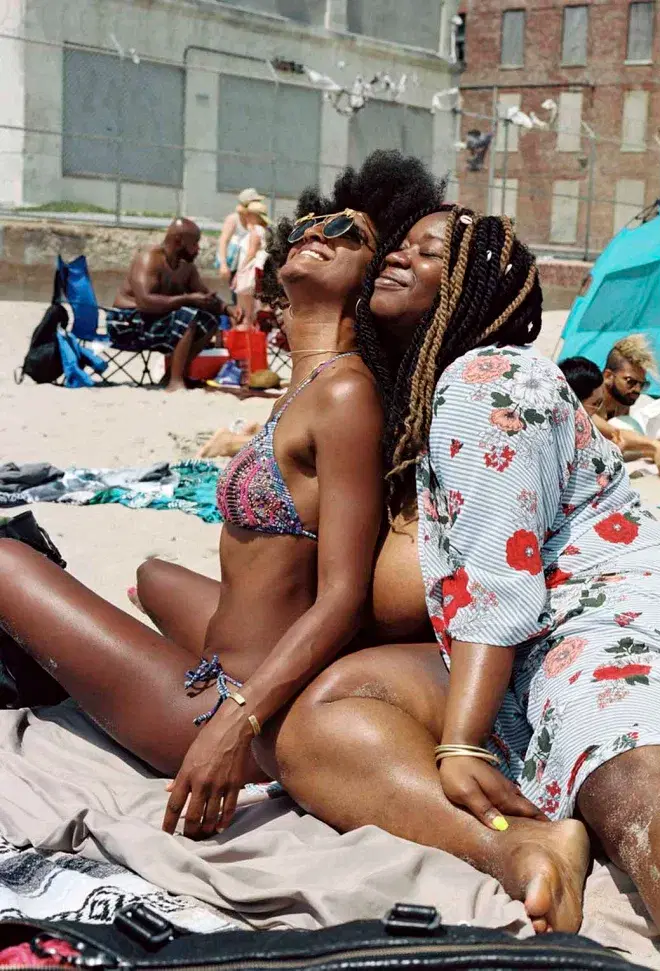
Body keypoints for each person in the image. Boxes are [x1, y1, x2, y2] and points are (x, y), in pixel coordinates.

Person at [267, 206, 660, 969]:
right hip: (509, 649)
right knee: (321, 721)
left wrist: (458, 739)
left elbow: (501, 580)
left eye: (431, 251)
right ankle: (526, 843)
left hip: (604, 613)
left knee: (638, 786)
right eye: (400, 244)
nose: (400, 257)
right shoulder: (427, 399)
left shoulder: (489, 378)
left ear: (479, 287)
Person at [0, 151, 445, 841]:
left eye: (347, 232)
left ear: (373, 279)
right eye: (313, 221)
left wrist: (234, 726)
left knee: (5, 561)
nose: (315, 232)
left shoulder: (347, 394)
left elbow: (342, 597)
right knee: (150, 573)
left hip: (225, 704)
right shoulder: (307, 388)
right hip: (223, 664)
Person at [108, 218, 239, 392]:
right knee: (187, 314)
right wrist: (187, 299)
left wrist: (228, 310)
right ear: (178, 241)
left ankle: (174, 374)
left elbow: (205, 297)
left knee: (210, 320)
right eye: (194, 244)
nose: (198, 249)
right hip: (127, 323)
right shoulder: (149, 259)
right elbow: (145, 302)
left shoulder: (187, 268)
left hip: (157, 321)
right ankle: (175, 382)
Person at [559, 356, 660, 478]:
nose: (637, 390)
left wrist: (653, 450)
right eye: (630, 381)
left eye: (642, 384)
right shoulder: (582, 410)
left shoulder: (620, 403)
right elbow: (616, 435)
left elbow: (616, 440)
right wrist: (655, 446)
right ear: (607, 376)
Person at [216, 188, 263, 290]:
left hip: (252, 264)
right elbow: (223, 241)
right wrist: (223, 264)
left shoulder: (257, 219)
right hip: (236, 264)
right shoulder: (233, 219)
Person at [232, 199, 270, 324]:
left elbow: (251, 253)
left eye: (249, 214)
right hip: (257, 274)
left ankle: (244, 340)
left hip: (249, 274)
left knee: (245, 313)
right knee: (254, 311)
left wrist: (239, 272)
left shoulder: (255, 232)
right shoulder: (263, 231)